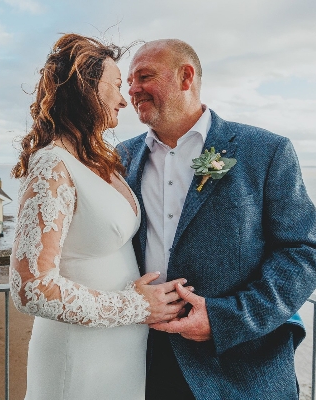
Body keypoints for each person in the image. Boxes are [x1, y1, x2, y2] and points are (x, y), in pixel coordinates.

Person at [117, 39, 316, 400]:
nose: (133, 90)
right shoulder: (121, 158)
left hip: (240, 365)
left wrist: (225, 318)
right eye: (129, 81)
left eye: (145, 76)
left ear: (186, 77)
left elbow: (305, 250)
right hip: (143, 359)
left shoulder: (265, 151)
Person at [10, 34, 188, 400]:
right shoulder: (51, 164)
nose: (125, 99)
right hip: (78, 357)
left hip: (120, 355)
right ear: (85, 89)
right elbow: (30, 288)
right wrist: (137, 305)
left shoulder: (96, 160)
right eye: (117, 87)